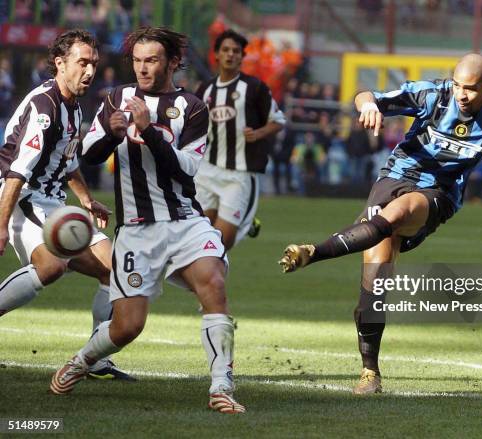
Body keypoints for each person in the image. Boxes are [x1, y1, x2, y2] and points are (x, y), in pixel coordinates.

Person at [278, 53, 482, 394]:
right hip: (393, 178)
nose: (462, 95)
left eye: (470, 89)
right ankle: (370, 372)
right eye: (457, 86)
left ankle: (313, 251)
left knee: (398, 213)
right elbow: (368, 96)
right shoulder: (432, 94)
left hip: (438, 193)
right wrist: (367, 106)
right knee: (374, 288)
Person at [49, 26, 245, 414]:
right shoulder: (117, 98)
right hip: (137, 230)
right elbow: (87, 155)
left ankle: (221, 387)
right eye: (137, 61)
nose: (142, 68)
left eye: (151, 60)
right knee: (127, 327)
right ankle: (81, 361)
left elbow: (186, 169)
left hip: (185, 221)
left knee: (214, 283)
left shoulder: (192, 107)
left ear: (172, 62)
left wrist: (147, 130)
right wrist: (110, 133)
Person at [0, 29, 133, 381]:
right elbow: (17, 172)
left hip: (55, 203)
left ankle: (96, 358)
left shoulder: (73, 106)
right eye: (82, 63)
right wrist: (0, 226)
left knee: (115, 271)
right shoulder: (44, 107)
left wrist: (87, 200)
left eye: (93, 63)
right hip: (23, 199)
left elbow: (67, 161)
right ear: (60, 63)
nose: (89, 71)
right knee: (52, 267)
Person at [195, 29, 285, 250]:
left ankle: (243, 219)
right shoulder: (205, 89)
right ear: (216, 54)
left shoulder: (255, 88)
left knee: (220, 245)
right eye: (225, 50)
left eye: (236, 51)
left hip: (238, 176)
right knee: (197, 241)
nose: (231, 55)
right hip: (207, 172)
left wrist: (258, 133)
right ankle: (246, 220)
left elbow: (278, 120)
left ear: (242, 56)